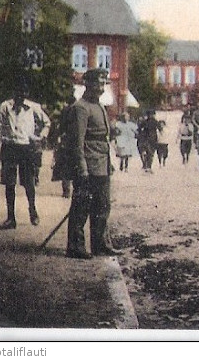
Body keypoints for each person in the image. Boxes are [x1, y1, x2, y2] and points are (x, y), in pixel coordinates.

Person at [59, 68, 121, 258]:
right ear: (87, 84)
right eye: (97, 83)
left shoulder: (100, 106)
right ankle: (75, 247)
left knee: (102, 206)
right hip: (87, 165)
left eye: (103, 84)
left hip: (101, 164)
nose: (101, 88)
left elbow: (103, 139)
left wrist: (108, 162)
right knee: (81, 206)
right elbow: (77, 142)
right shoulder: (81, 107)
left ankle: (99, 244)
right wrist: (82, 169)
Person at [0, 78, 51, 229]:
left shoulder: (33, 107)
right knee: (9, 183)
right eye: (18, 93)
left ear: (26, 94)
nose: (20, 96)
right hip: (10, 147)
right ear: (14, 93)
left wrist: (40, 137)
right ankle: (11, 218)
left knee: (28, 182)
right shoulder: (5, 106)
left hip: (26, 148)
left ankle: (33, 210)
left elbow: (47, 123)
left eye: (23, 93)